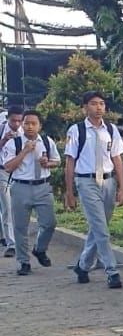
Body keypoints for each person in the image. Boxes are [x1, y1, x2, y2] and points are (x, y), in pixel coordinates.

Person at [65, 91, 123, 288]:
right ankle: (112, 270)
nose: (99, 107)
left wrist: (121, 186)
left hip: (108, 181)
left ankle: (83, 265)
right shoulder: (77, 130)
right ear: (85, 107)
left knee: (99, 227)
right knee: (101, 229)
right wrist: (69, 192)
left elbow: (116, 158)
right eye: (93, 103)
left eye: (101, 103)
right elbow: (70, 161)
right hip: (86, 181)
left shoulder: (111, 129)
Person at [1, 109, 59, 275]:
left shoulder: (46, 141)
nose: (30, 127)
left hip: (43, 186)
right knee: (20, 227)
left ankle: (40, 248)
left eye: (34, 123)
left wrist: (48, 163)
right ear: (22, 125)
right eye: (26, 123)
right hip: (21, 187)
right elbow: (8, 166)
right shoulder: (14, 143)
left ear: (40, 125)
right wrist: (25, 151)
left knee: (49, 223)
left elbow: (57, 161)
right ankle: (23, 262)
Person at [0, 106, 25, 257]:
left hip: (19, 172)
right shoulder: (1, 129)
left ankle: (9, 237)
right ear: (7, 118)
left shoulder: (25, 131)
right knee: (7, 207)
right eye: (13, 121)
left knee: (17, 207)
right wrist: (4, 140)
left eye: (19, 121)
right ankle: (11, 243)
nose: (16, 124)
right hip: (2, 171)